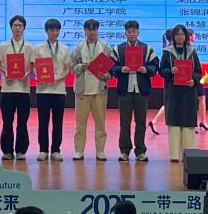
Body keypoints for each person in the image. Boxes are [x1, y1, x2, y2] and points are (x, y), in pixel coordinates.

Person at [110, 19, 159, 162]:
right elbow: (111, 67)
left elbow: (155, 66)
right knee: (124, 122)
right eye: (129, 31)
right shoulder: (118, 49)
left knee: (141, 122)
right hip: (124, 90)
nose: (131, 34)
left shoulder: (146, 48)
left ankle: (140, 151)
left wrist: (146, 69)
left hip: (141, 90)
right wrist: (120, 69)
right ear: (125, 33)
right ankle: (124, 151)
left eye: (134, 31)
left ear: (138, 32)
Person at [70, 18, 114, 161]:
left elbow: (111, 69)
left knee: (100, 124)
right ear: (85, 31)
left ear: (97, 30)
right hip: (82, 91)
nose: (92, 32)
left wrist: (106, 76)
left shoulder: (105, 46)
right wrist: (81, 67)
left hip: (99, 91)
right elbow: (72, 67)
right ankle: (78, 151)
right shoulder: (79, 46)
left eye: (94, 29)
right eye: (89, 29)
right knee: (80, 125)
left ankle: (100, 151)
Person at [158, 23, 202, 162]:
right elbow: (161, 70)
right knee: (174, 123)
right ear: (173, 36)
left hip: (189, 92)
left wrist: (194, 80)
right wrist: (170, 71)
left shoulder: (192, 51)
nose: (180, 37)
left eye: (182, 34)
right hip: (173, 92)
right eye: (177, 34)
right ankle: (174, 155)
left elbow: (198, 71)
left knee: (188, 124)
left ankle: (189, 154)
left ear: (186, 36)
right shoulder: (167, 52)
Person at [33, 18, 71, 161]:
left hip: (59, 90)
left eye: (56, 30)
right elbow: (34, 67)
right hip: (43, 90)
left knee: (58, 122)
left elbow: (67, 69)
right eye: (51, 30)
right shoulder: (38, 48)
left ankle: (55, 150)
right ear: (46, 31)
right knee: (43, 122)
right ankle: (43, 150)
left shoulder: (64, 48)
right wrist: (38, 76)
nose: (54, 32)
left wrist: (58, 78)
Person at [0, 14, 33, 160]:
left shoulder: (29, 46)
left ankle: (21, 151)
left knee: (22, 122)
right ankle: (7, 151)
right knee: (7, 121)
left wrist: (26, 74)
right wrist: (6, 72)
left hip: (23, 89)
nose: (17, 28)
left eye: (20, 26)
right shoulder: (3, 46)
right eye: (15, 26)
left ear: (24, 28)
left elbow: (32, 66)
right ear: (11, 28)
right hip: (7, 89)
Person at [147, 28, 174, 135]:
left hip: (173, 81)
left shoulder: (168, 48)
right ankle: (154, 121)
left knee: (169, 103)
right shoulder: (169, 50)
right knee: (168, 103)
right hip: (171, 81)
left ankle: (154, 121)